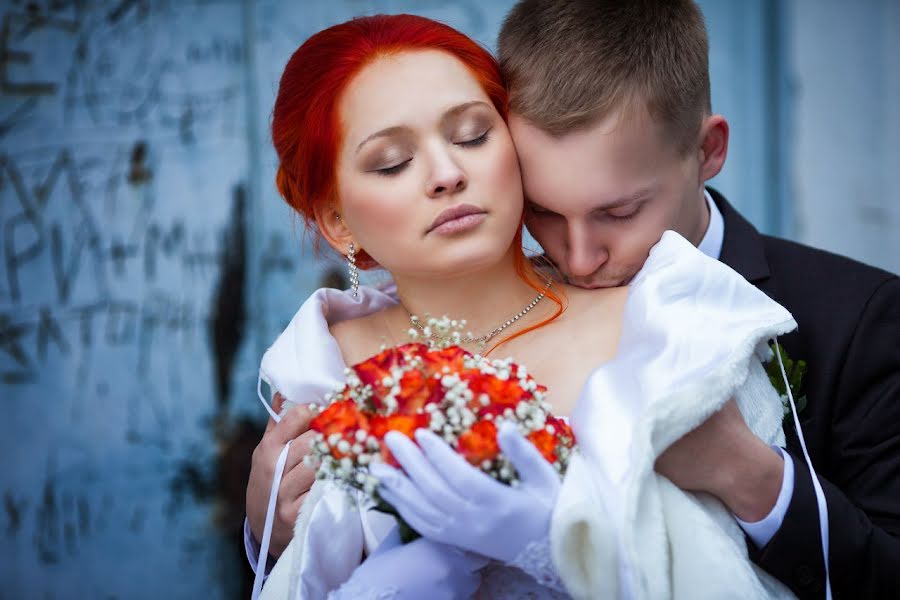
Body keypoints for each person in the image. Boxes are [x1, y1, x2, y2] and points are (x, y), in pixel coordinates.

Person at [247, 12, 805, 600]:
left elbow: (724, 569)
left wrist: (552, 545)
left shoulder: (658, 325)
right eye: (392, 162)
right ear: (337, 222)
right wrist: (269, 535)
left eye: (472, 136)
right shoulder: (320, 371)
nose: (446, 174)